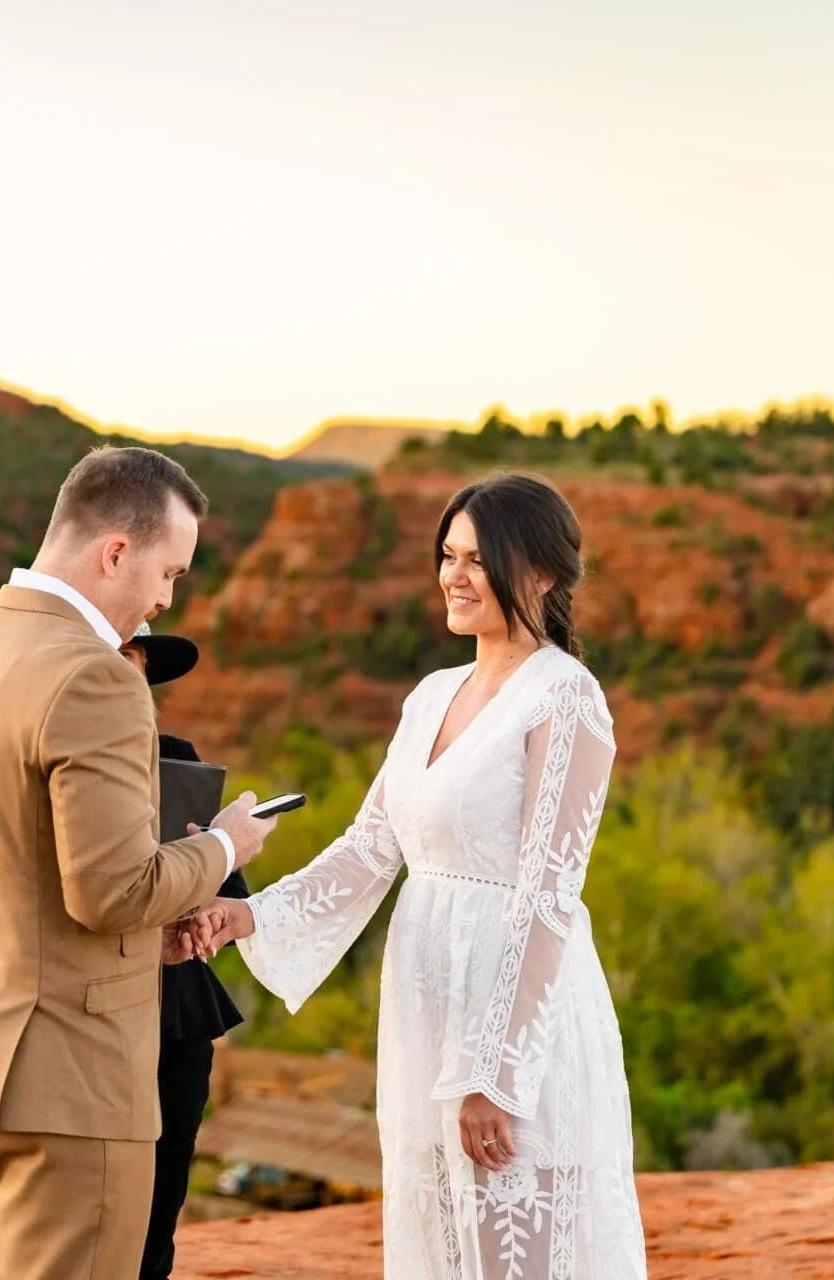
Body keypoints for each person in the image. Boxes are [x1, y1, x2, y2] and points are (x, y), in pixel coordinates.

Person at [191, 473, 647, 1279]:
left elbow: (548, 895)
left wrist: (497, 1075)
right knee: (438, 1242)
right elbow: (373, 846)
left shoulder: (565, 698)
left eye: (479, 558)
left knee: (519, 1249)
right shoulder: (431, 695)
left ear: (541, 574)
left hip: (514, 1023)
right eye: (447, 554)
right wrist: (249, 915)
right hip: (424, 1010)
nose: (454, 574)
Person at [0, 445, 277, 1280]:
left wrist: (148, 945)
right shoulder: (95, 679)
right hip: (69, 1088)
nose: (163, 598)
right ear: (116, 551)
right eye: (167, 573)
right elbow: (114, 890)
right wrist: (225, 846)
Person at [119, 622, 250, 1280]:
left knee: (160, 1198)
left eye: (139, 669)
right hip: (99, 1005)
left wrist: (204, 906)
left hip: (178, 1013)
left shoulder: (178, 755)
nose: (131, 680)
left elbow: (227, 892)